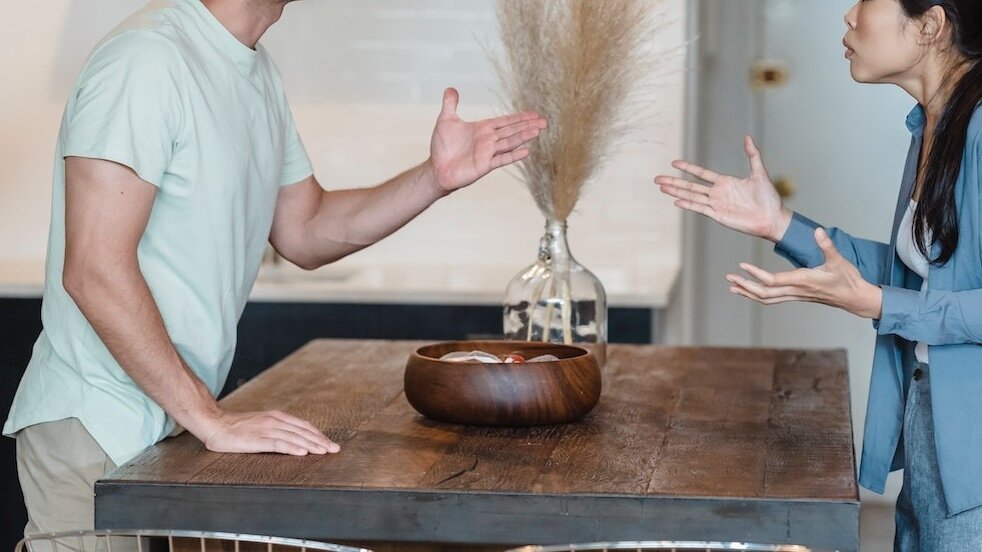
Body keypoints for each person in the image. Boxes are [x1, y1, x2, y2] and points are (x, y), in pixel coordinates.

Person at [2, 0, 546, 539]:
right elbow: (94, 270)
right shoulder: (144, 60)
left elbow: (304, 229)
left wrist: (434, 178)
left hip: (171, 425)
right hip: (97, 428)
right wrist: (210, 418)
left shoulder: (255, 70)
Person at [656, 0, 982, 549]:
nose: (850, 16)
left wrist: (879, 304)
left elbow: (913, 298)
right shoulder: (933, 124)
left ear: (930, 25)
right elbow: (923, 278)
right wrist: (780, 224)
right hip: (932, 429)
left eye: (868, 0)